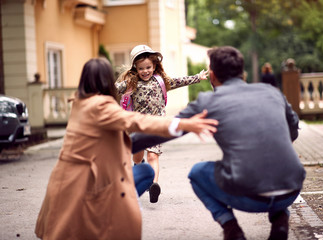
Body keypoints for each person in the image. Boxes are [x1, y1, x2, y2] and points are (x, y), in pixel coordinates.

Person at [131, 46, 306, 240]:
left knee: (197, 173)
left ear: (212, 75)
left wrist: (122, 146)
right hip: (292, 188)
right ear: (242, 73)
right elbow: (293, 130)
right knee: (272, 166)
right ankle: (280, 220)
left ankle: (232, 229)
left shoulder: (209, 102)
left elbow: (163, 131)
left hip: (249, 196)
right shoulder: (272, 93)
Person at [34, 58, 218, 240]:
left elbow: (132, 133)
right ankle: (113, 213)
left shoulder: (79, 102)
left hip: (65, 181)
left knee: (144, 171)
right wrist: (182, 124)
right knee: (140, 175)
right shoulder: (100, 106)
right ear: (106, 80)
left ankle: (115, 207)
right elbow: (137, 121)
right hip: (88, 183)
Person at [116, 44, 209, 203]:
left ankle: (153, 185)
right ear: (135, 69)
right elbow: (113, 89)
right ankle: (140, 169)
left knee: (153, 156)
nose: (145, 71)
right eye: (141, 68)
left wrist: (197, 78)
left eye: (148, 67)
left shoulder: (161, 81)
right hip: (138, 125)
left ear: (154, 66)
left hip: (158, 126)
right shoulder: (131, 82)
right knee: (137, 157)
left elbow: (179, 81)